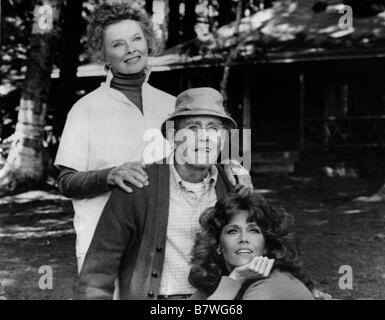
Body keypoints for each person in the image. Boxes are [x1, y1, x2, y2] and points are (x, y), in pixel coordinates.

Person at [54, 2, 251, 273]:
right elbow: (65, 182)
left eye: (137, 39)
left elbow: (202, 158)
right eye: (118, 44)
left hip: (164, 250)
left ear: (148, 41)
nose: (131, 49)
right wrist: (110, 175)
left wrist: (232, 170)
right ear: (103, 55)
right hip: (104, 248)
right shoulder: (85, 109)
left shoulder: (173, 106)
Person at [77, 87, 251, 300]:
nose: (205, 138)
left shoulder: (233, 186)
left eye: (213, 128)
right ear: (171, 135)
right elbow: (98, 269)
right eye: (193, 128)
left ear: (223, 139)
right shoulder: (139, 184)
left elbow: (254, 253)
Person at [188, 192, 315, 300]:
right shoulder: (222, 280)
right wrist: (235, 279)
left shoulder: (272, 285)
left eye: (253, 231)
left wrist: (235, 280)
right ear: (218, 245)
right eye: (233, 231)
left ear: (266, 245)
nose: (243, 239)